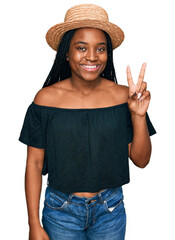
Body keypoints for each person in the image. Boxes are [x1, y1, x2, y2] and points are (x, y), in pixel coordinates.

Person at [18, 4, 156, 240]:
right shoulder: (45, 100)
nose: (92, 56)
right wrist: (33, 223)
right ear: (67, 53)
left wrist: (139, 116)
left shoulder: (124, 97)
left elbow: (141, 160)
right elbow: (34, 164)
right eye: (82, 48)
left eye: (100, 49)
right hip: (60, 211)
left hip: (109, 211)